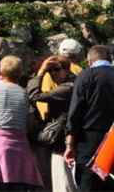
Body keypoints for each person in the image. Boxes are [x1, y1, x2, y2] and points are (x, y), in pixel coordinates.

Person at [64, 44, 114, 190]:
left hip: (88, 141)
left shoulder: (86, 75)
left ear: (90, 61)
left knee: (88, 184)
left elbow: (75, 111)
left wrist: (70, 143)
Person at [0, 55, 43, 192]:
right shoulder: (24, 93)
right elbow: (30, 122)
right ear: (19, 72)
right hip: (20, 146)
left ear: (2, 71)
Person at [27, 55, 76, 192]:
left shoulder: (68, 88)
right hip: (62, 141)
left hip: (63, 143)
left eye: (56, 69)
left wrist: (41, 71)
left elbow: (35, 95)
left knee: (63, 183)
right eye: (50, 71)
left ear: (66, 70)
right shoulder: (70, 84)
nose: (53, 73)